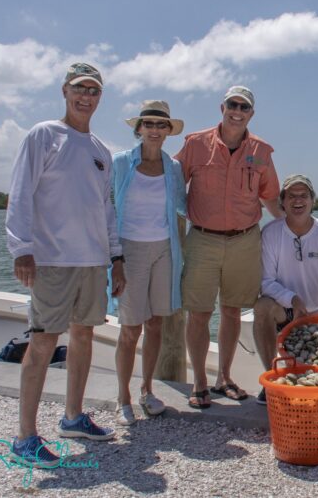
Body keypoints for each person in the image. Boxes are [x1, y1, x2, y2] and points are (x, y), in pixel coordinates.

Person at [6, 62, 122, 466]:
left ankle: (73, 416)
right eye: (79, 88)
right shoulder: (43, 135)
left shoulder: (101, 151)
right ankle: (25, 437)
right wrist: (21, 247)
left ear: (100, 97)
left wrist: (116, 256)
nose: (86, 96)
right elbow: (21, 192)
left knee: (84, 337)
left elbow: (105, 211)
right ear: (64, 91)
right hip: (52, 260)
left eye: (93, 90)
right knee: (41, 343)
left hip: (93, 262)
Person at [175, 86, 283, 407]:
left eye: (245, 107)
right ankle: (199, 382)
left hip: (245, 240)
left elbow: (271, 198)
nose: (237, 111)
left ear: (251, 113)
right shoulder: (194, 144)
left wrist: (300, 233)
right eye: (233, 104)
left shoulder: (262, 152)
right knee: (199, 313)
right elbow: (170, 187)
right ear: (222, 107)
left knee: (232, 311)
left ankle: (224, 377)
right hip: (203, 239)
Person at [110, 100, 187, 425]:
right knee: (130, 329)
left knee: (156, 323)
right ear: (138, 129)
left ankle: (146, 390)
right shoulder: (120, 163)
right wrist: (114, 257)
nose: (154, 130)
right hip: (130, 250)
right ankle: (122, 397)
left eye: (161, 125)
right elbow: (106, 207)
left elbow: (185, 207)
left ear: (168, 131)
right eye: (149, 124)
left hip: (165, 250)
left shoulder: (174, 168)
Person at [253, 174, 318, 404]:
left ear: (313, 200)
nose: (298, 201)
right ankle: (272, 377)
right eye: (292, 196)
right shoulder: (271, 233)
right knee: (262, 307)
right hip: (288, 312)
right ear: (283, 202)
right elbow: (265, 282)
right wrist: (293, 300)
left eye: (303, 196)